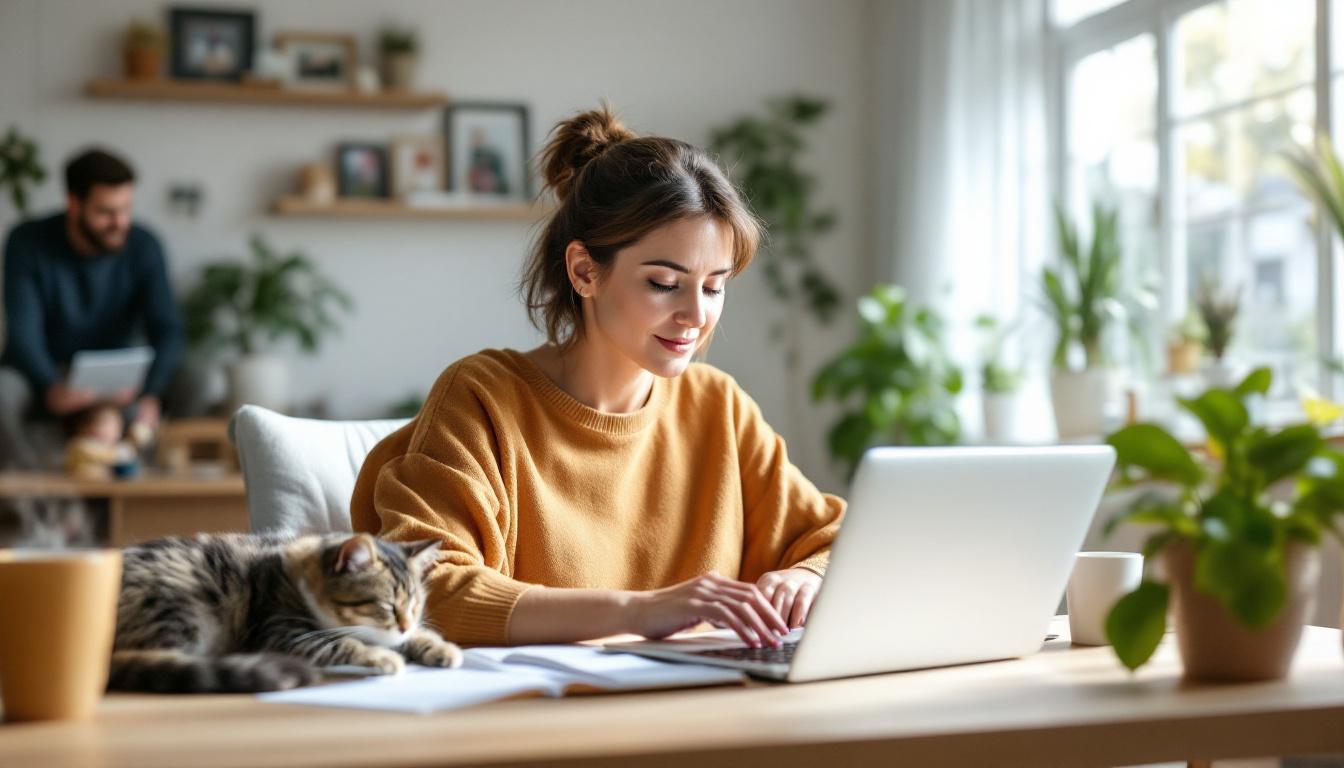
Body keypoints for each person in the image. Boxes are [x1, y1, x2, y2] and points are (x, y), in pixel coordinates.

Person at [351, 105, 845, 649]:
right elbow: (428, 587)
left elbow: (837, 540)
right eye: (664, 283)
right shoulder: (483, 397)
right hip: (539, 721)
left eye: (714, 286)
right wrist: (640, 612)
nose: (696, 316)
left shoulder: (718, 406)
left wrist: (805, 576)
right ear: (585, 271)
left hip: (705, 709)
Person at [0, 148, 185, 468]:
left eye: (126, 209)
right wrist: (50, 385)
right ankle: (32, 498)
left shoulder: (144, 246)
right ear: (74, 204)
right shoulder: (27, 242)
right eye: (106, 212)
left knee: (202, 379)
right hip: (47, 374)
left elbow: (168, 327)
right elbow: (22, 332)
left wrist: (151, 392)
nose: (120, 222)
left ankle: (134, 489)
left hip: (118, 377)